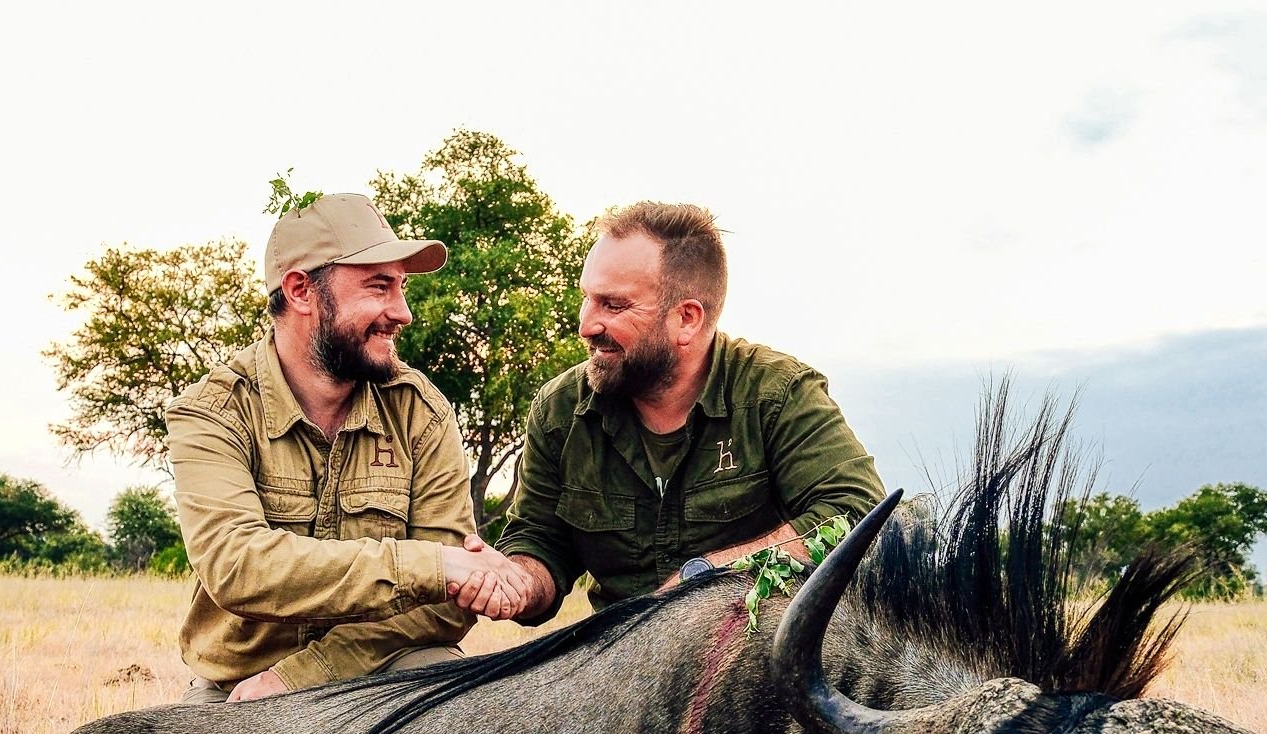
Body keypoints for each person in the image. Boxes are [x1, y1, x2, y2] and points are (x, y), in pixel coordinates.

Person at [166, 193, 529, 703]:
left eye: (401, 287)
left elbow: (445, 606)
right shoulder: (210, 412)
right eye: (379, 286)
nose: (401, 312)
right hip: (237, 688)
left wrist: (303, 676)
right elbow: (236, 564)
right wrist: (434, 566)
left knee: (453, 697)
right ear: (300, 291)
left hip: (383, 670)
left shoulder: (421, 411)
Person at [486, 201, 884, 625]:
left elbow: (856, 514)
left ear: (687, 319)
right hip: (620, 665)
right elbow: (540, 540)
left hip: (753, 656)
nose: (585, 324)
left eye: (613, 305)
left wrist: (703, 577)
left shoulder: (777, 392)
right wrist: (516, 583)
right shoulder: (560, 410)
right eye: (587, 299)